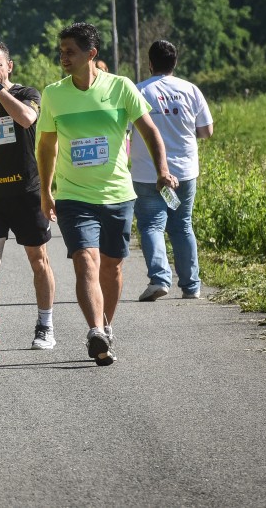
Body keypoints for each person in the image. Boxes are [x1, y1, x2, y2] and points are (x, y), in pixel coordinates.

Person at [37, 23, 177, 366]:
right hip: (73, 195)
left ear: (91, 54)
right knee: (85, 261)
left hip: (117, 194)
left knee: (112, 267)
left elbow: (150, 132)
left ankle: (106, 326)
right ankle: (95, 331)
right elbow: (46, 146)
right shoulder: (53, 94)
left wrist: (162, 170)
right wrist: (46, 189)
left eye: (70, 51)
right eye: (61, 51)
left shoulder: (121, 88)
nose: (63, 57)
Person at [0, 41, 59, 350]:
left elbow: (26, 119)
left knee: (38, 260)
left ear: (9, 66)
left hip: (26, 191)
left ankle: (45, 325)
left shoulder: (27, 94)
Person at [130, 40, 214, 301]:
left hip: (147, 173)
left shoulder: (139, 91)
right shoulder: (190, 90)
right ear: (175, 63)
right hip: (185, 171)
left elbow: (125, 132)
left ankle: (159, 278)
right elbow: (206, 131)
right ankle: (191, 286)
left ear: (150, 63)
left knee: (151, 225)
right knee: (182, 226)